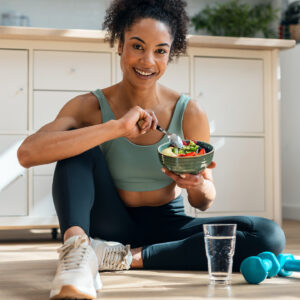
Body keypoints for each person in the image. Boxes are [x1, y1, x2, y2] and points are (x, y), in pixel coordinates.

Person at [17, 0, 286, 299]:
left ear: (170, 54)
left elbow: (205, 200)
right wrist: (115, 127)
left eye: (160, 50)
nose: (147, 61)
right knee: (78, 144)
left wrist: (196, 185)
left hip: (168, 225)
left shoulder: (189, 111)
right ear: (119, 44)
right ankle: (78, 253)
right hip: (110, 221)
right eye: (137, 46)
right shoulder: (88, 106)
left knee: (268, 235)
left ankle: (122, 258)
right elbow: (27, 154)